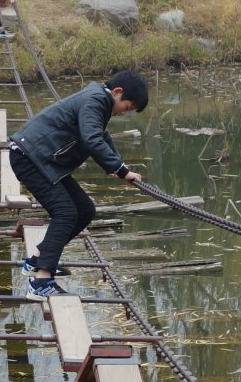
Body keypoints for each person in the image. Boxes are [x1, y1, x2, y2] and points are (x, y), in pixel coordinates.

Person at [8, 71, 150, 300]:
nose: (125, 112)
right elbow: (91, 139)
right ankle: (41, 281)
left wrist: (119, 166)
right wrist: (121, 171)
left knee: (85, 210)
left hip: (43, 160)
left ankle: (39, 259)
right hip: (30, 157)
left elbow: (102, 137)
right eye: (127, 107)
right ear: (117, 92)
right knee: (65, 212)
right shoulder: (95, 100)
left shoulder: (98, 100)